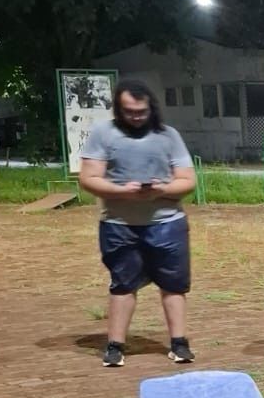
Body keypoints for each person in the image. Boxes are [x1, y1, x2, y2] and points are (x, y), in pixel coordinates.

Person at [77, 80, 197, 368]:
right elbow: (88, 178)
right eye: (129, 112)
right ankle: (116, 345)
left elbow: (188, 180)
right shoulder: (103, 134)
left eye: (141, 112)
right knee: (122, 284)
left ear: (151, 109)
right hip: (119, 224)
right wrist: (121, 191)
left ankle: (179, 343)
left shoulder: (169, 136)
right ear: (119, 109)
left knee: (174, 285)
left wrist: (161, 190)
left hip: (167, 223)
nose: (136, 117)